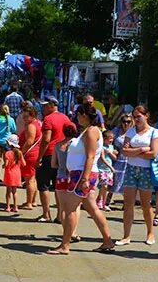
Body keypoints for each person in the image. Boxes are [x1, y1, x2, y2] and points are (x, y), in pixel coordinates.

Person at [47, 106, 117, 255]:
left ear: (84, 115)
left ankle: (65, 245)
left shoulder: (91, 131)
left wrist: (84, 178)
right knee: (92, 208)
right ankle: (107, 241)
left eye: (78, 115)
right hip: (78, 173)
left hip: (83, 175)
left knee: (70, 208)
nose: (76, 118)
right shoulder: (87, 131)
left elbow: (90, 156)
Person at [116, 106, 158, 245]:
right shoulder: (131, 131)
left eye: (138, 116)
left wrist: (133, 151)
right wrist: (141, 149)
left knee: (145, 204)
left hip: (146, 171)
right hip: (130, 168)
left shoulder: (154, 132)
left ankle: (150, 233)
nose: (136, 119)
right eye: (134, 117)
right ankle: (126, 236)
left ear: (146, 116)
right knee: (128, 204)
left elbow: (153, 153)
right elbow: (124, 151)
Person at [37, 97, 74, 223]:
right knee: (58, 186)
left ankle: (46, 214)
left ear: (52, 105)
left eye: (45, 106)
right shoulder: (65, 118)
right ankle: (59, 215)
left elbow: (46, 139)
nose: (43, 108)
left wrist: (39, 156)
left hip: (49, 154)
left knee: (44, 185)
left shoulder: (48, 119)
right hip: (63, 154)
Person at [53, 123, 79, 235]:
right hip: (74, 177)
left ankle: (66, 232)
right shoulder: (77, 145)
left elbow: (53, 164)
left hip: (61, 177)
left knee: (63, 207)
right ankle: (73, 232)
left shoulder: (58, 145)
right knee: (75, 207)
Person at [96, 130, 116, 211]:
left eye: (112, 138)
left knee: (106, 187)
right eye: (109, 138)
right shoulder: (101, 147)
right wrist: (110, 167)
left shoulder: (111, 147)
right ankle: (99, 200)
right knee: (103, 186)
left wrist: (110, 152)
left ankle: (104, 203)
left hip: (108, 170)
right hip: (102, 169)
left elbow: (114, 158)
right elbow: (102, 158)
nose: (111, 140)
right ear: (104, 139)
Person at [3, 133, 23, 213]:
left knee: (8, 191)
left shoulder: (8, 153)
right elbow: (24, 164)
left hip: (9, 173)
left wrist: (4, 165)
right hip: (17, 173)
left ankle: (8, 206)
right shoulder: (19, 153)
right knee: (15, 191)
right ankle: (15, 206)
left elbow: (7, 164)